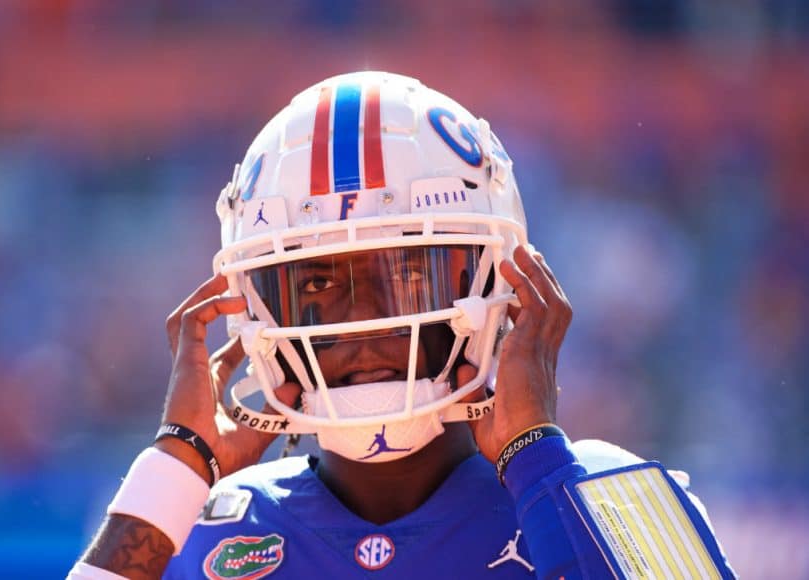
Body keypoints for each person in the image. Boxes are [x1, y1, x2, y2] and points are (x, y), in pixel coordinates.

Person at [68, 72, 735, 579]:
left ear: (500, 282)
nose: (361, 319)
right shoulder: (196, 529)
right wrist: (178, 466)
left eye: (407, 273)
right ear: (255, 306)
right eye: (319, 283)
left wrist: (535, 458)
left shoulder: (609, 494)